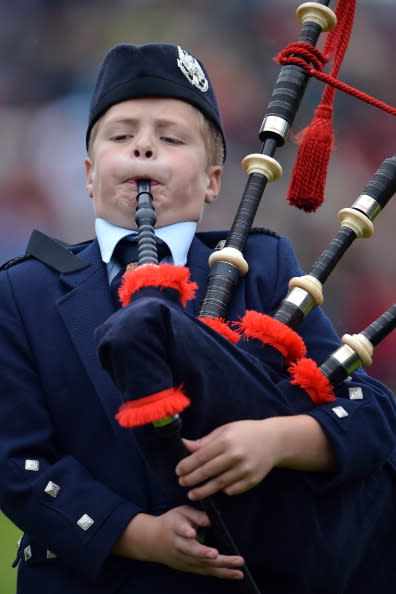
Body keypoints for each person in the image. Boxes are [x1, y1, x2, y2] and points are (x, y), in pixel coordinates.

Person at [0, 42, 395, 594]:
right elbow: (16, 460)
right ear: (89, 175)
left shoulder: (264, 267)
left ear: (213, 181)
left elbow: (369, 413)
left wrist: (277, 440)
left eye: (170, 137)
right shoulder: (24, 289)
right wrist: (138, 534)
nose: (143, 148)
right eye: (121, 135)